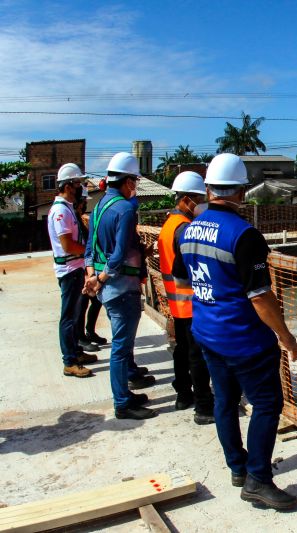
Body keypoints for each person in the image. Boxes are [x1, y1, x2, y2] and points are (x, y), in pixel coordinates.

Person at [173, 153, 297, 510]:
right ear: (241, 192)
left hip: (207, 332)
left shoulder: (187, 230)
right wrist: (286, 337)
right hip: (245, 339)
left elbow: (183, 280)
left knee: (224, 401)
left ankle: (238, 468)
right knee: (266, 404)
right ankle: (258, 479)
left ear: (208, 189)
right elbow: (260, 297)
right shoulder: (245, 235)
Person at [83, 152, 157, 420]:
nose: (135, 187)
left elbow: (91, 247)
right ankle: (122, 402)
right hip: (121, 288)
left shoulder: (100, 206)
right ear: (127, 182)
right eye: (134, 182)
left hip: (107, 288)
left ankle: (125, 394)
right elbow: (119, 254)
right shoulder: (125, 209)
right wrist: (101, 278)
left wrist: (92, 275)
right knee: (121, 349)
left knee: (121, 345)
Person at [157, 171, 214, 425]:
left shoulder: (169, 224)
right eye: (199, 198)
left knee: (181, 349)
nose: (202, 203)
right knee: (197, 355)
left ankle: (183, 393)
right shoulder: (184, 229)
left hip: (176, 302)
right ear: (187, 199)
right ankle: (203, 406)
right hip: (190, 301)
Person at [47, 163, 97, 378]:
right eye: (78, 184)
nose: (80, 188)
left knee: (76, 314)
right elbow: (67, 245)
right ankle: (69, 361)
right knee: (68, 317)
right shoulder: (60, 211)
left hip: (74, 266)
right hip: (69, 268)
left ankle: (76, 352)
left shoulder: (67, 208)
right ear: (67, 186)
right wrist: (89, 251)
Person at [74, 188, 107, 351]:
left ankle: (89, 331)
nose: (85, 205)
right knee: (81, 304)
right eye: (84, 202)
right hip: (80, 267)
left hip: (85, 267)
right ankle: (80, 337)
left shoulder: (79, 219)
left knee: (95, 301)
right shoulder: (74, 219)